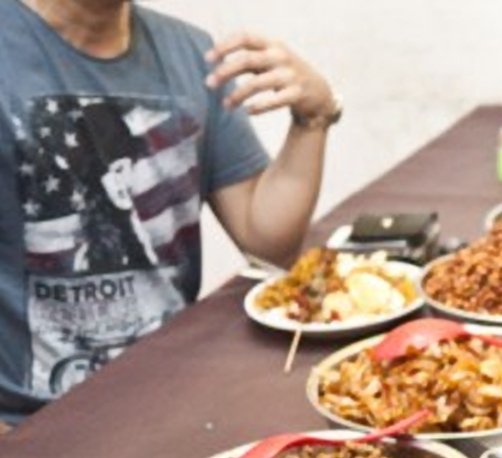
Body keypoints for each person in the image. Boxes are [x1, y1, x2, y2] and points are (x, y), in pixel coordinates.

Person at [0, 0, 341, 422]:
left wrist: (314, 118)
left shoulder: (191, 53)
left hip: (173, 395)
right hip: (35, 425)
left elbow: (266, 241)